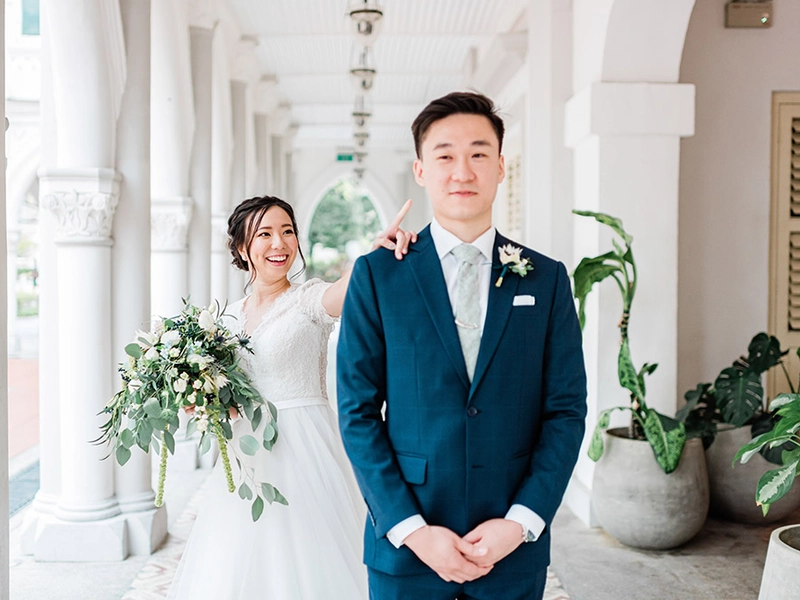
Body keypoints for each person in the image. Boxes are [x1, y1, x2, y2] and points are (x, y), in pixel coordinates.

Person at [337, 91, 587, 600]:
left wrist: (520, 523)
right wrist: (412, 530)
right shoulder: (378, 275)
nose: (462, 171)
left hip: (510, 547)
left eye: (478, 154)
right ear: (421, 170)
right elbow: (357, 412)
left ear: (500, 166)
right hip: (408, 548)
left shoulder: (547, 279)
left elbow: (565, 411)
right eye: (445, 155)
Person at [167, 195, 416, 600]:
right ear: (242, 249)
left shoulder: (308, 299)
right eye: (265, 234)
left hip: (307, 452)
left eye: (287, 232)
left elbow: (344, 289)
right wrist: (201, 400)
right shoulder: (224, 318)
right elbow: (219, 394)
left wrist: (373, 254)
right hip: (246, 458)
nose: (279, 243)